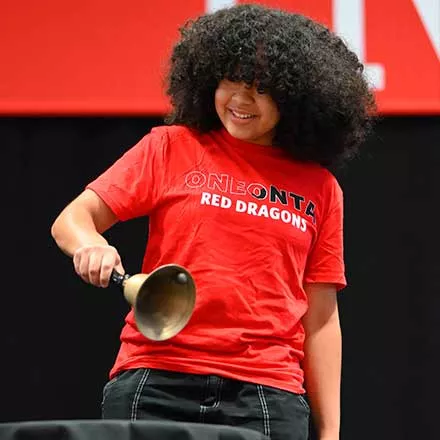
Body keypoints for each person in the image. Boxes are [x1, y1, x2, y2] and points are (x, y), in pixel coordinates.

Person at [51, 4, 375, 440]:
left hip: (267, 396)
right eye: (231, 81)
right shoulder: (170, 147)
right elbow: (72, 219)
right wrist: (90, 244)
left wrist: (330, 432)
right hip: (156, 381)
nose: (241, 100)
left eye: (262, 89)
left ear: (298, 98)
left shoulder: (321, 188)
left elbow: (320, 319)